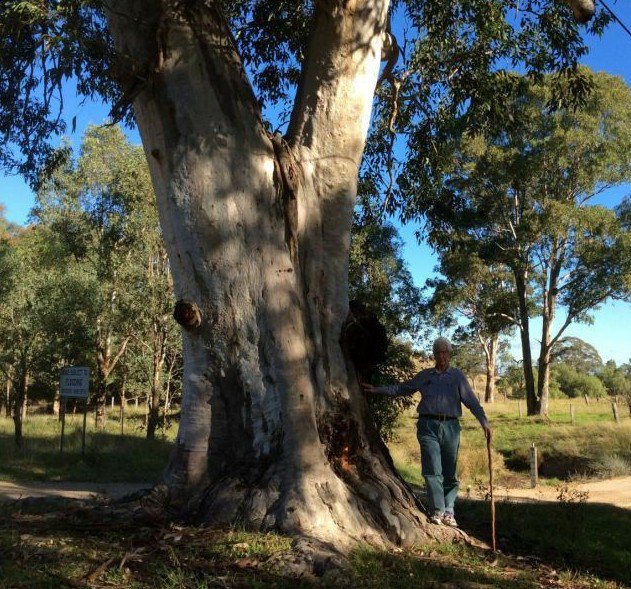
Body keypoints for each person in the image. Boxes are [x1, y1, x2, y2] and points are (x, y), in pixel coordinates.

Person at [362, 337, 492, 527]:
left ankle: (449, 511)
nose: (442, 356)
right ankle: (437, 510)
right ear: (434, 354)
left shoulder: (457, 376)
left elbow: (472, 402)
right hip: (427, 426)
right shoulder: (426, 375)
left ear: (449, 354)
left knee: (449, 471)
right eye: (438, 352)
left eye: (445, 352)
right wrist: (376, 389)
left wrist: (485, 423)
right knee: (432, 470)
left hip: (450, 427)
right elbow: (403, 388)